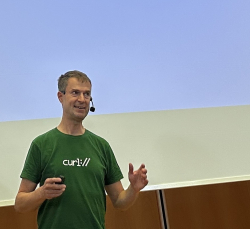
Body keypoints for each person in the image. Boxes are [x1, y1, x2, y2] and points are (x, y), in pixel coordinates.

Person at [14, 70, 149, 229]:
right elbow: (20, 204)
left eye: (87, 94)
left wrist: (133, 189)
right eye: (75, 93)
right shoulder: (42, 144)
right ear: (60, 97)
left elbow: (120, 201)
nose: (82, 100)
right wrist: (41, 193)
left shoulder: (101, 146)